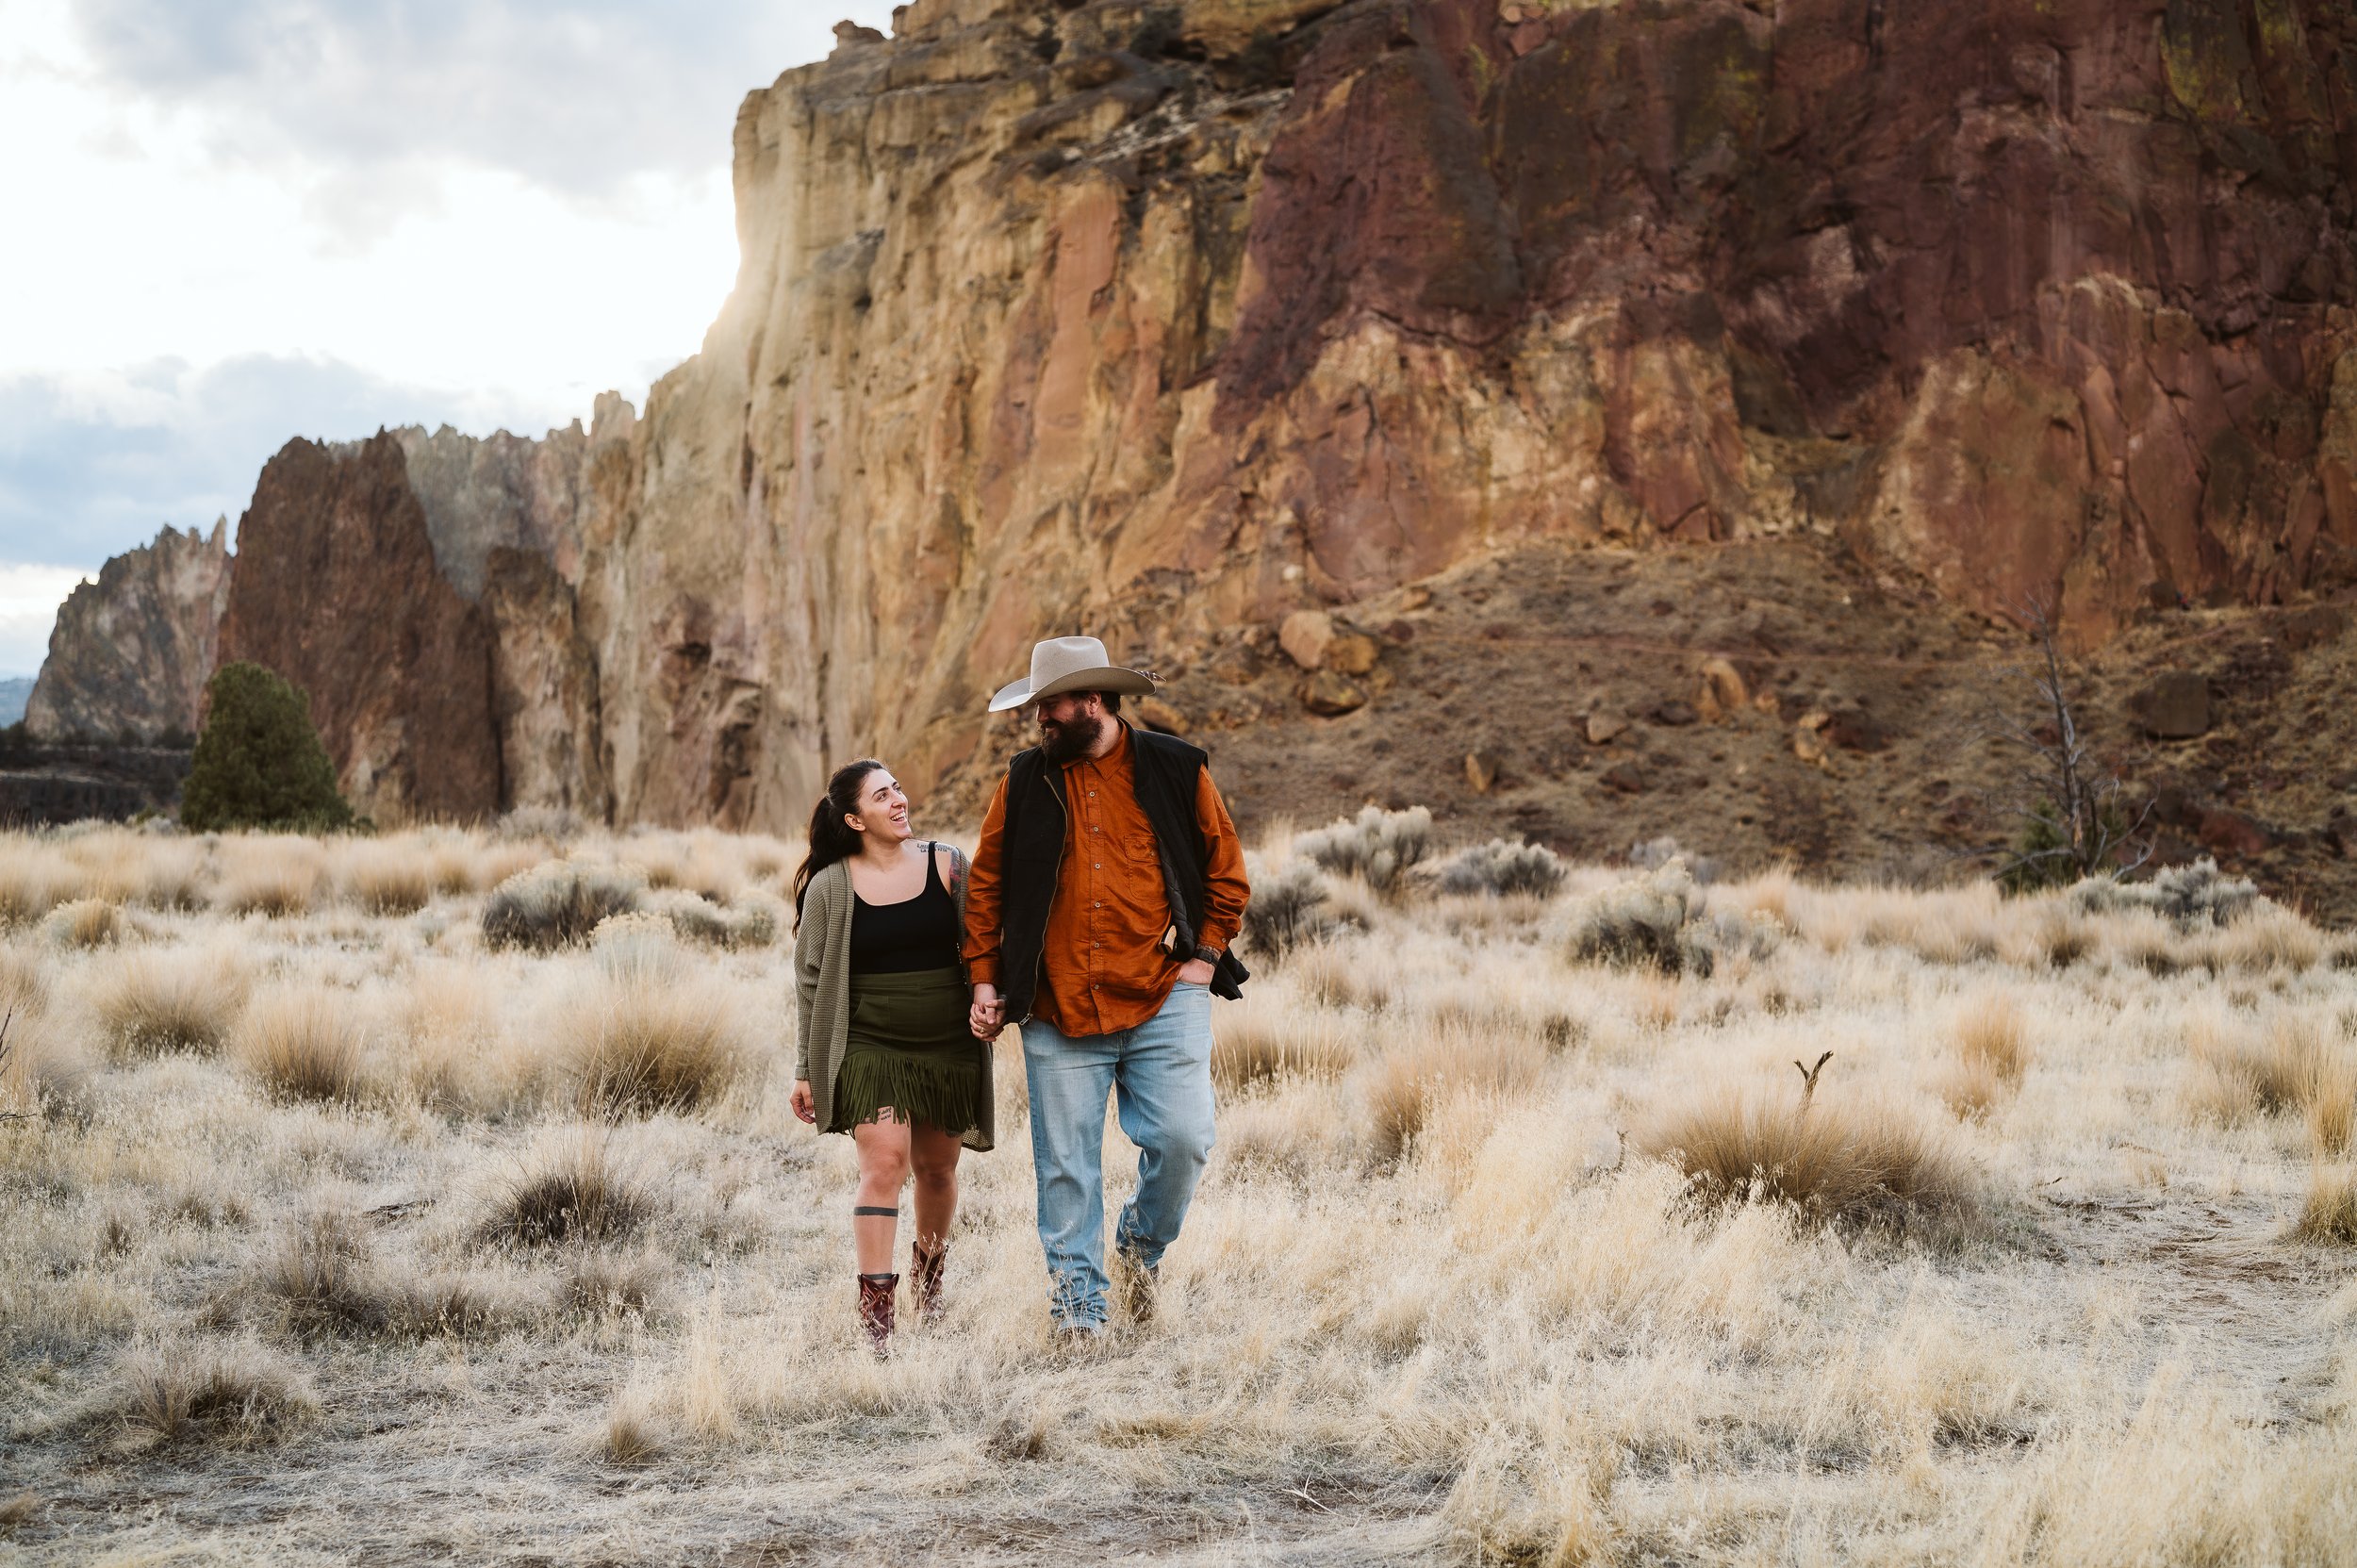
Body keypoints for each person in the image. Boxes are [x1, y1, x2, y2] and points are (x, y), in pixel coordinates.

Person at [964, 635, 1251, 1340]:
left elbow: (1227, 871)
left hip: (1162, 993)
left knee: (1185, 1140)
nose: (1040, 721)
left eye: (1050, 707)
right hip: (1057, 1006)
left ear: (1092, 702)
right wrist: (984, 980)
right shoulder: (1025, 780)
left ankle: (1138, 1250)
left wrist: (1206, 957)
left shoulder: (1177, 768)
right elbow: (987, 884)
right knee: (1066, 1166)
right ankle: (1079, 1310)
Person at [791, 759, 994, 1354]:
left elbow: (983, 941)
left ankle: (929, 1294)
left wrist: (989, 996)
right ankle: (876, 1323)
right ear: (855, 819)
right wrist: (806, 1065)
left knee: (937, 1169)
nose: (899, 800)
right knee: (884, 1166)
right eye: (883, 796)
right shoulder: (831, 885)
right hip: (868, 1043)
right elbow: (809, 980)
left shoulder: (948, 864)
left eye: (899, 788)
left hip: (948, 1044)